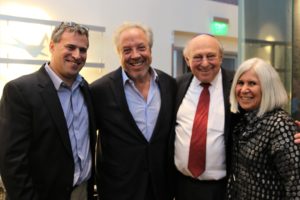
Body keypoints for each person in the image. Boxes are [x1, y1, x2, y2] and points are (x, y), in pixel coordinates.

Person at [0, 22, 96, 200]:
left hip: (83, 193)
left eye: (83, 50)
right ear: (52, 46)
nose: (77, 55)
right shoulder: (20, 91)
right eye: (70, 47)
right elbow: (12, 162)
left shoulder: (87, 90)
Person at [90, 22, 176, 200]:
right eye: (127, 50)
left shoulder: (169, 84)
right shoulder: (99, 91)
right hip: (118, 190)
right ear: (119, 53)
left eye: (141, 48)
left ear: (150, 50)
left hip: (161, 188)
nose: (135, 55)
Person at [227, 57, 300, 199]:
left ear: (268, 88)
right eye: (240, 83)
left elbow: (296, 185)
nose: (243, 89)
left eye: (252, 83)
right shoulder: (244, 121)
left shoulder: (280, 124)